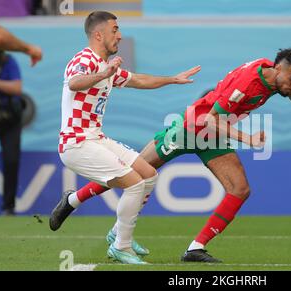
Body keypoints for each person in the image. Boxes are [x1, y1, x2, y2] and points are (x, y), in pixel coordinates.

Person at [50, 47, 291, 263]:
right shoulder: (249, 82)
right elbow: (210, 120)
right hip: (190, 128)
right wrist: (248, 138)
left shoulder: (273, 73)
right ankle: (73, 200)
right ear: (281, 69)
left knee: (240, 189)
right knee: (133, 172)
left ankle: (196, 248)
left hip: (213, 135)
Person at [49, 11, 200, 265]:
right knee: (134, 184)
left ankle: (117, 233)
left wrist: (172, 79)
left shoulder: (107, 67)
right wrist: (103, 74)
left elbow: (139, 79)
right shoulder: (85, 59)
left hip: (95, 138)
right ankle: (122, 247)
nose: (119, 35)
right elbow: (75, 83)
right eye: (115, 30)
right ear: (99, 34)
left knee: (149, 174)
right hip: (76, 143)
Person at [0, 47, 23, 215]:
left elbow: (17, 88)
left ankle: (9, 207)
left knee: (11, 161)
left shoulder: (8, 61)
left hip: (8, 119)